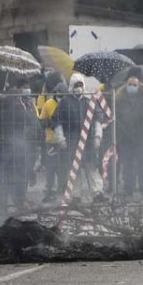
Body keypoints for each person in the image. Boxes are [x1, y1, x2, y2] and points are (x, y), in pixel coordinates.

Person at [0, 82, 38, 213]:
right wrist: (24, 107)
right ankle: (20, 205)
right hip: (15, 149)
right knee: (19, 177)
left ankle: (2, 208)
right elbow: (31, 122)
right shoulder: (17, 108)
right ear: (17, 98)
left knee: (3, 180)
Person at [52, 73, 103, 201]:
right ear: (71, 86)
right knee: (74, 169)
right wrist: (61, 138)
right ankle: (75, 195)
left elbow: (98, 118)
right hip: (72, 141)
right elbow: (56, 120)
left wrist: (97, 136)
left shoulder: (89, 101)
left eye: (80, 85)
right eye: (76, 85)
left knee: (92, 167)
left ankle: (97, 193)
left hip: (89, 141)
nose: (78, 88)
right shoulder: (65, 102)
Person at [115, 69, 143, 197]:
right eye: (130, 84)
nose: (132, 87)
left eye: (135, 85)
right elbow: (117, 117)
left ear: (139, 85)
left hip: (141, 137)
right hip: (125, 137)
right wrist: (122, 130)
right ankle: (128, 189)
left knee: (142, 163)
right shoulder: (119, 98)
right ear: (126, 84)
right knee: (127, 163)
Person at [39, 83, 65, 202]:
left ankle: (62, 189)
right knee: (51, 167)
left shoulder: (66, 103)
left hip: (64, 141)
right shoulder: (48, 104)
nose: (59, 96)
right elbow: (42, 121)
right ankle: (50, 190)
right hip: (51, 141)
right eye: (57, 93)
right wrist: (52, 124)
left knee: (63, 167)